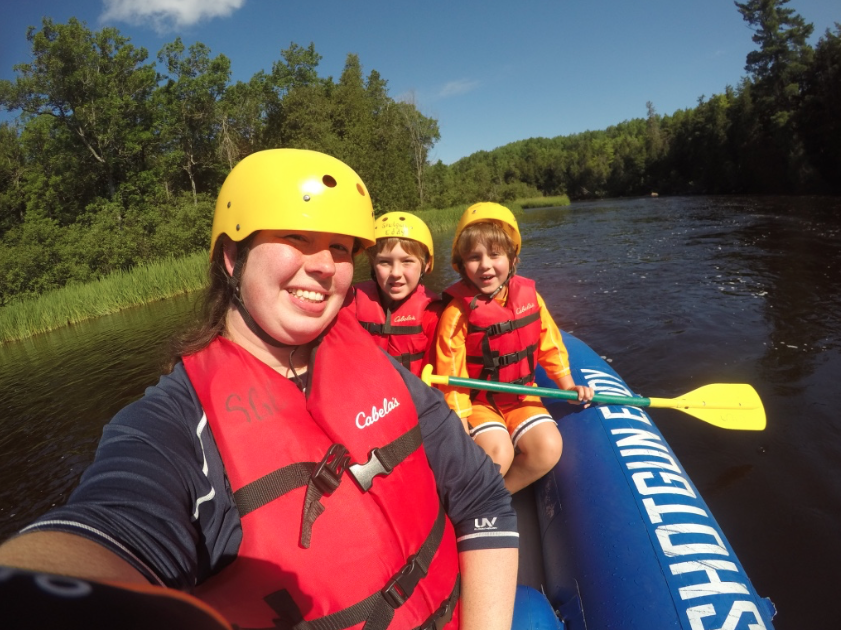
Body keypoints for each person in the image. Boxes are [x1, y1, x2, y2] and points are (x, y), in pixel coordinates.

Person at [0, 150, 518, 630]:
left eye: (339, 248)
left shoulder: (372, 362)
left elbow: (480, 494)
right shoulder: (172, 424)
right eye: (296, 238)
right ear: (231, 257)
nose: (322, 265)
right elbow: (105, 528)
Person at [435, 202, 593, 495]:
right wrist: (459, 421)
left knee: (548, 448)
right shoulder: (456, 313)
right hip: (480, 402)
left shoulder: (530, 297)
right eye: (474, 257)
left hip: (522, 394)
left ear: (512, 258)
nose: (485, 265)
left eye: (495, 255)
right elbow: (450, 372)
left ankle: (497, 497)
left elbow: (550, 345)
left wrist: (568, 386)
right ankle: (472, 503)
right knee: (499, 453)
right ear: (461, 263)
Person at [354, 212, 442, 377]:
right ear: (372, 264)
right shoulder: (351, 304)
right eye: (384, 262)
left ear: (426, 264)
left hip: (414, 399)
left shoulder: (432, 315)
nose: (395, 273)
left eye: (407, 261)